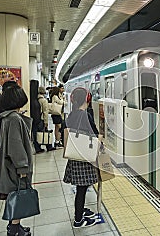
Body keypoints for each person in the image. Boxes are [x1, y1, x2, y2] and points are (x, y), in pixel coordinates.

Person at [0, 85, 33, 236]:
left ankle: (16, 226)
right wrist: (23, 168)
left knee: (15, 195)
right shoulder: (14, 119)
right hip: (16, 168)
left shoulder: (8, 117)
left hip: (9, 166)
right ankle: (14, 231)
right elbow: (16, 147)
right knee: (18, 195)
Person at [63, 87, 102, 228]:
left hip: (75, 156)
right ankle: (78, 220)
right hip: (84, 157)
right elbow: (95, 134)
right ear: (87, 99)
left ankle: (81, 210)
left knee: (81, 188)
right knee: (82, 189)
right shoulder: (85, 115)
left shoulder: (71, 114)